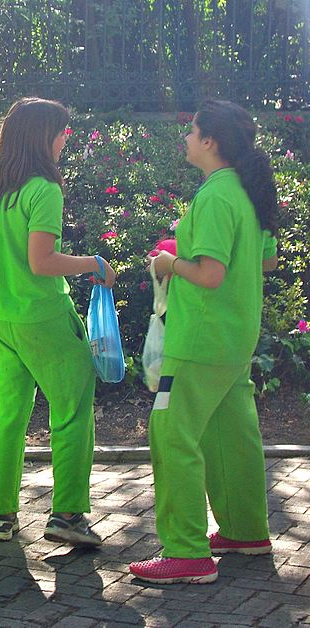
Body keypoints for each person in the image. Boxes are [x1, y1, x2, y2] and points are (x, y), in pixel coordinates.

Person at [0, 97, 115, 546]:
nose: (66, 139)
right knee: (72, 410)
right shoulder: (45, 189)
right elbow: (42, 262)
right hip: (45, 318)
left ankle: (1, 516)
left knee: (7, 416)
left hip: (0, 318)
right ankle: (68, 515)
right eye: (62, 132)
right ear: (45, 136)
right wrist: (94, 263)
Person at [129, 100, 278, 585]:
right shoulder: (246, 191)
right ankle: (245, 531)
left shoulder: (215, 195)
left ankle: (186, 551)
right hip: (234, 337)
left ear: (210, 141)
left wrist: (169, 263)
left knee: (171, 433)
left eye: (192, 132)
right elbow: (264, 260)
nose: (186, 138)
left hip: (199, 339)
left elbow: (210, 274)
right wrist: (188, 254)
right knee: (231, 433)